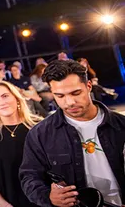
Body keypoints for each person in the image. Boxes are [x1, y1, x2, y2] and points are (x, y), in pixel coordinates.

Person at [20, 60, 125, 206]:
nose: (69, 102)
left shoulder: (121, 125)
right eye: (60, 96)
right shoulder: (40, 134)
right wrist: (49, 197)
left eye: (76, 93)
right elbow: (29, 177)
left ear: (89, 86)